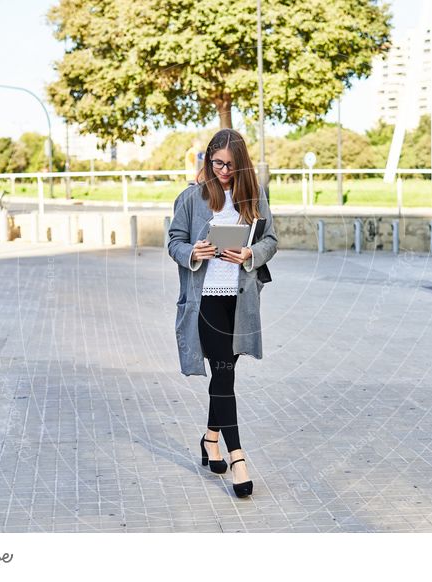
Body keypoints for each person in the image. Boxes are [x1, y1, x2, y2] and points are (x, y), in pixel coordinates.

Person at [167, 128, 277, 498]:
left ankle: (209, 439)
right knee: (225, 374)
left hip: (240, 300)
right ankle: (238, 458)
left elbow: (270, 240)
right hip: (207, 299)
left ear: (242, 164)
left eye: (231, 165)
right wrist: (193, 253)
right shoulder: (191, 197)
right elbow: (174, 241)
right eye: (217, 163)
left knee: (225, 375)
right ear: (208, 160)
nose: (224, 171)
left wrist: (249, 254)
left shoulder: (254, 196)